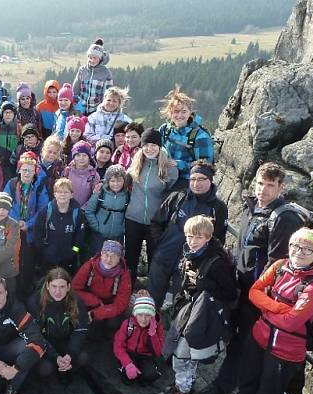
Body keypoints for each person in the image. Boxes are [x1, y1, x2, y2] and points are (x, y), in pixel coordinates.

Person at [208, 228, 313, 394]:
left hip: (285, 351)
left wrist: (268, 307)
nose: (299, 252)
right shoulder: (280, 266)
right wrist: (277, 307)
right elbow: (254, 292)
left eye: (307, 249)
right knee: (247, 385)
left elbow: (292, 322)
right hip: (260, 337)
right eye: (295, 246)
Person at [196, 163, 309, 394]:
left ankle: (223, 388)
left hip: (257, 295)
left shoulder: (283, 218)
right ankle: (231, 385)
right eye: (260, 183)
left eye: (270, 185)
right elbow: (243, 247)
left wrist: (260, 299)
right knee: (235, 336)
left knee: (242, 342)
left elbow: (276, 264)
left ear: (281, 187)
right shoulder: (253, 209)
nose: (263, 190)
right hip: (241, 286)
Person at [158, 215, 237, 394]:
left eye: (198, 237)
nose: (192, 241)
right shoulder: (192, 255)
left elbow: (229, 292)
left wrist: (205, 284)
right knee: (183, 349)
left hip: (203, 313)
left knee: (184, 351)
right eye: (189, 236)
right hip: (190, 307)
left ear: (208, 237)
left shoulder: (217, 263)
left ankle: (183, 389)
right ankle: (184, 384)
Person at [147, 160, 227, 308]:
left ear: (211, 180)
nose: (197, 183)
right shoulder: (178, 197)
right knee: (151, 299)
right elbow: (156, 222)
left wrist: (202, 261)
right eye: (193, 179)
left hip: (191, 265)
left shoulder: (218, 207)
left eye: (202, 179)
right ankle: (148, 329)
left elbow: (218, 238)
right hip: (164, 257)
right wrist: (160, 244)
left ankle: (173, 330)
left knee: (181, 303)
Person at [123, 128, 178, 283]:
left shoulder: (169, 168)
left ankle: (152, 293)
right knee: (131, 257)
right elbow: (122, 182)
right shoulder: (136, 163)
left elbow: (172, 195)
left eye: (154, 145)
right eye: (146, 145)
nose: (150, 149)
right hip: (133, 218)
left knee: (154, 257)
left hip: (156, 221)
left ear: (160, 147)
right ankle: (128, 288)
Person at [29, 268, 90, 382]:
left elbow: (80, 330)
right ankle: (57, 370)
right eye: (54, 286)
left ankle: (66, 367)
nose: (58, 291)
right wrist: (54, 356)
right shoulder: (35, 302)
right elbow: (35, 335)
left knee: (83, 358)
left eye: (62, 287)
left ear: (68, 287)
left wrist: (70, 355)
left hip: (66, 341)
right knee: (45, 369)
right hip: (46, 344)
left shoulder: (76, 301)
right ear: (47, 285)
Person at [3, 152, 50, 298]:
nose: (27, 173)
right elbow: (5, 205)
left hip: (30, 231)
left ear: (35, 172)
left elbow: (43, 210)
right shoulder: (11, 184)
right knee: (13, 260)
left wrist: (28, 224)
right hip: (13, 229)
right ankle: (12, 290)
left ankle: (25, 290)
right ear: (19, 170)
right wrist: (16, 222)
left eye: (30, 170)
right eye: (24, 169)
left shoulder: (39, 187)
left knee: (28, 262)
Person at [158, 87, 214, 190]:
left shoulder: (200, 136)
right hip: (165, 179)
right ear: (170, 113)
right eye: (176, 111)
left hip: (188, 184)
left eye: (183, 111)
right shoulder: (165, 130)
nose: (179, 115)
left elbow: (205, 167)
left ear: (190, 112)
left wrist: (178, 164)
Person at [72, 240, 132, 337]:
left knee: (114, 323)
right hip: (90, 303)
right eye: (106, 255)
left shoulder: (124, 274)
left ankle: (110, 342)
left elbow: (121, 304)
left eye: (114, 256)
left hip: (110, 306)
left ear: (119, 258)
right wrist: (94, 301)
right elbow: (74, 289)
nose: (109, 259)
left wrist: (97, 313)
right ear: (101, 254)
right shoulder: (89, 266)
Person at [33, 178, 85, 274]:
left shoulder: (77, 213)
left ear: (71, 195)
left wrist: (73, 252)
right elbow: (38, 232)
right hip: (48, 258)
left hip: (68, 259)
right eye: (59, 192)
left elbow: (80, 237)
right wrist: (44, 250)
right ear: (54, 194)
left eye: (66, 192)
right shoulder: (46, 211)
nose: (62, 195)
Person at [113, 294, 165, 385]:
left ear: (152, 316)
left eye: (147, 315)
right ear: (135, 314)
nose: (143, 319)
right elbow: (118, 346)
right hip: (129, 353)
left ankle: (142, 377)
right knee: (128, 377)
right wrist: (127, 363)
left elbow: (158, 352)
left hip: (146, 355)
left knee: (150, 376)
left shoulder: (157, 328)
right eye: (140, 315)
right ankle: (127, 371)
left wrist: (152, 334)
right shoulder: (128, 324)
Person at [84, 164, 129, 256]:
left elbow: (128, 214)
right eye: (112, 181)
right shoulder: (100, 193)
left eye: (119, 181)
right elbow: (89, 211)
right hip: (99, 235)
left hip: (117, 236)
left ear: (124, 181)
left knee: (114, 259)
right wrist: (96, 227)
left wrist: (122, 229)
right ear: (107, 181)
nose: (116, 184)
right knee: (96, 257)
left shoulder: (127, 195)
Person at [72, 40, 114, 116]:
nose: (92, 60)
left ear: (100, 59)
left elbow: (108, 94)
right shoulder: (82, 70)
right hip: (80, 108)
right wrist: (75, 104)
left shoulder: (106, 73)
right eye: (90, 57)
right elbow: (75, 90)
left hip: (96, 110)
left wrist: (103, 109)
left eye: (95, 58)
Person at [63, 140, 98, 209]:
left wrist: (83, 209)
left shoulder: (93, 175)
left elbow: (95, 196)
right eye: (78, 155)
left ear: (89, 157)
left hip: (84, 211)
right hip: (66, 208)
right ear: (74, 157)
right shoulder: (67, 171)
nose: (81, 158)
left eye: (84, 155)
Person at [0, 101, 21, 181]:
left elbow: (21, 145)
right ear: (2, 114)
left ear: (14, 114)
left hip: (14, 163)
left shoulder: (19, 128)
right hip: (0, 162)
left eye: (11, 112)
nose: (8, 114)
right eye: (6, 112)